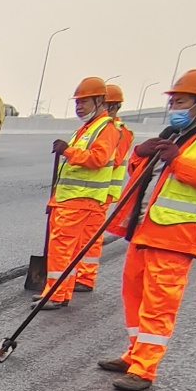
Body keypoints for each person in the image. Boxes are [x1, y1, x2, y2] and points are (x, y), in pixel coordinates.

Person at [101, 68, 196, 391]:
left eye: (181, 101)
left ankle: (144, 368)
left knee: (159, 301)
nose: (175, 109)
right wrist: (140, 154)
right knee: (134, 294)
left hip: (178, 234)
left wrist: (178, 160)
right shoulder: (174, 133)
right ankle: (134, 353)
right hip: (146, 229)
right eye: (173, 102)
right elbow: (147, 175)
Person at [42, 76, 125, 311]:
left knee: (61, 248)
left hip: (80, 201)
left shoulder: (106, 128)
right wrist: (54, 201)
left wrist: (67, 151)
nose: (79, 107)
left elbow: (99, 159)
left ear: (100, 101)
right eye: (77, 103)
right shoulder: (86, 129)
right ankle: (62, 292)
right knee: (68, 249)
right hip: (71, 199)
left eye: (84, 102)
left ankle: (56, 294)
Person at [80, 82, 131, 292]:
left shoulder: (118, 132)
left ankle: (85, 277)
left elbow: (113, 160)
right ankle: (78, 276)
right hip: (89, 192)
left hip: (101, 193)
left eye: (108, 105)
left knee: (89, 237)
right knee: (82, 238)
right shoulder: (94, 128)